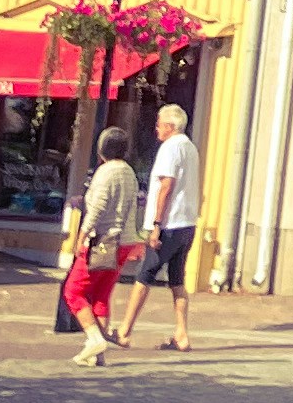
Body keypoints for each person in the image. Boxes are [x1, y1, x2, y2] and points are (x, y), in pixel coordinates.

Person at [115, 105, 200, 353]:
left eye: (160, 123)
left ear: (170, 126)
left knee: (144, 276)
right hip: (187, 223)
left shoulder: (170, 148)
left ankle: (124, 332)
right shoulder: (190, 147)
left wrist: (156, 225)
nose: (157, 128)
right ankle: (182, 334)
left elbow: (166, 186)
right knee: (177, 279)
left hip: (169, 224)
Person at [62, 121, 143, 365]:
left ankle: (95, 338)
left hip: (103, 241)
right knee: (100, 295)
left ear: (102, 150)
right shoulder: (129, 172)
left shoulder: (105, 172)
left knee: (73, 291)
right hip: (125, 241)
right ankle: (98, 356)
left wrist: (81, 236)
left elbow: (97, 208)